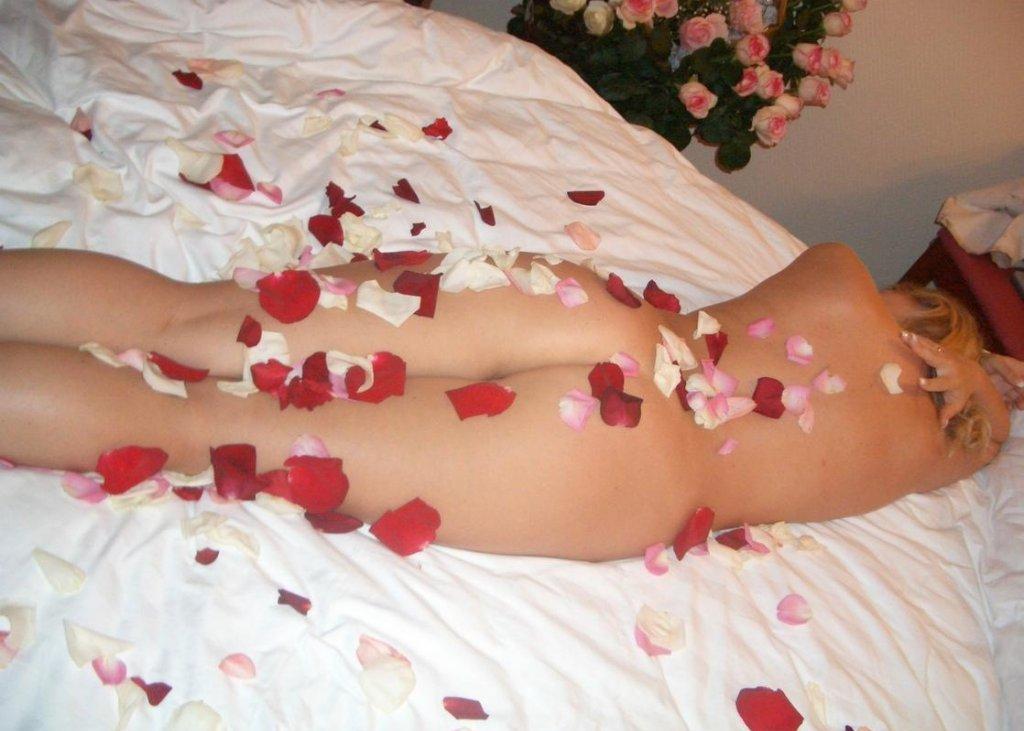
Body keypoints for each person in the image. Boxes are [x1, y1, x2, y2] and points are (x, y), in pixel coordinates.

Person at [0, 243, 1020, 560]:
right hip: (638, 464)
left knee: (187, 319)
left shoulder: (842, 272)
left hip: (620, 325)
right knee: (196, 428)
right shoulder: (953, 438)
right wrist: (989, 389)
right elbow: (994, 416)